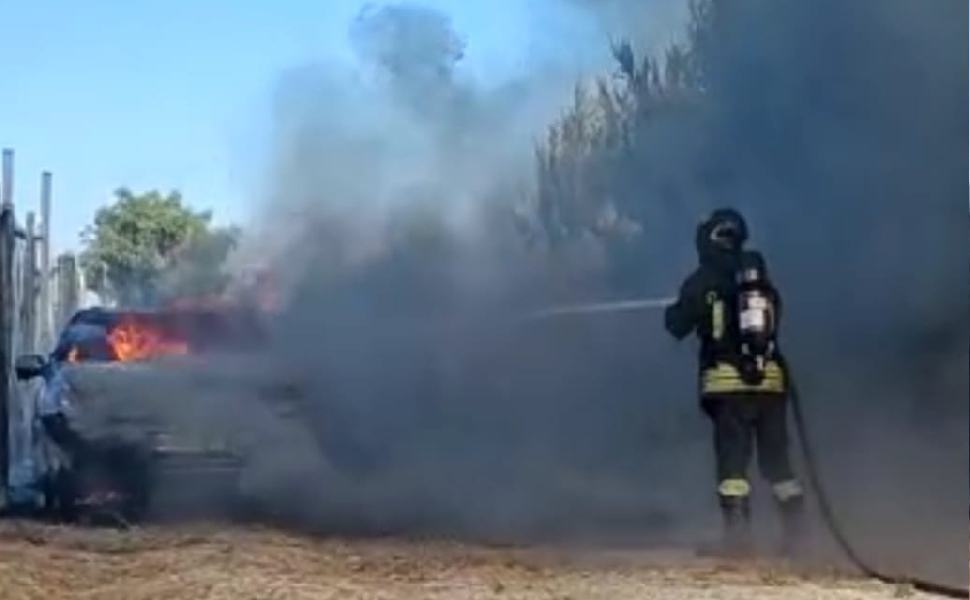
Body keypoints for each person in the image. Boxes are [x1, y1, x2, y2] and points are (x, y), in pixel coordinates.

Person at [664, 208, 804, 556]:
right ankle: (799, 536)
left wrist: (679, 309)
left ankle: (738, 539)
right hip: (771, 382)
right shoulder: (759, 280)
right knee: (778, 464)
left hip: (728, 386)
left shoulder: (702, 280)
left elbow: (676, 325)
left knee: (733, 465)